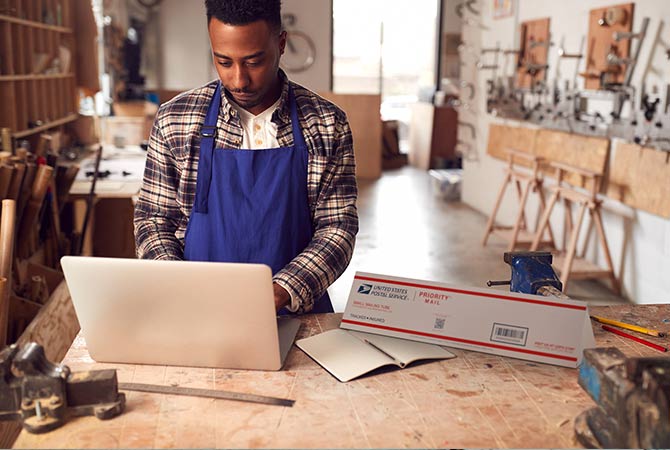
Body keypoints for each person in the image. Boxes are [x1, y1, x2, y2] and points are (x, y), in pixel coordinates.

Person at [134, 0, 358, 315]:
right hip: (197, 311)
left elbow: (338, 227)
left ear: (281, 44)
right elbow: (153, 219)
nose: (239, 80)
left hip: (296, 313)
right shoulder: (176, 119)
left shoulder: (325, 124)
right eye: (224, 61)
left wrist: (284, 289)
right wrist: (176, 282)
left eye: (254, 62)